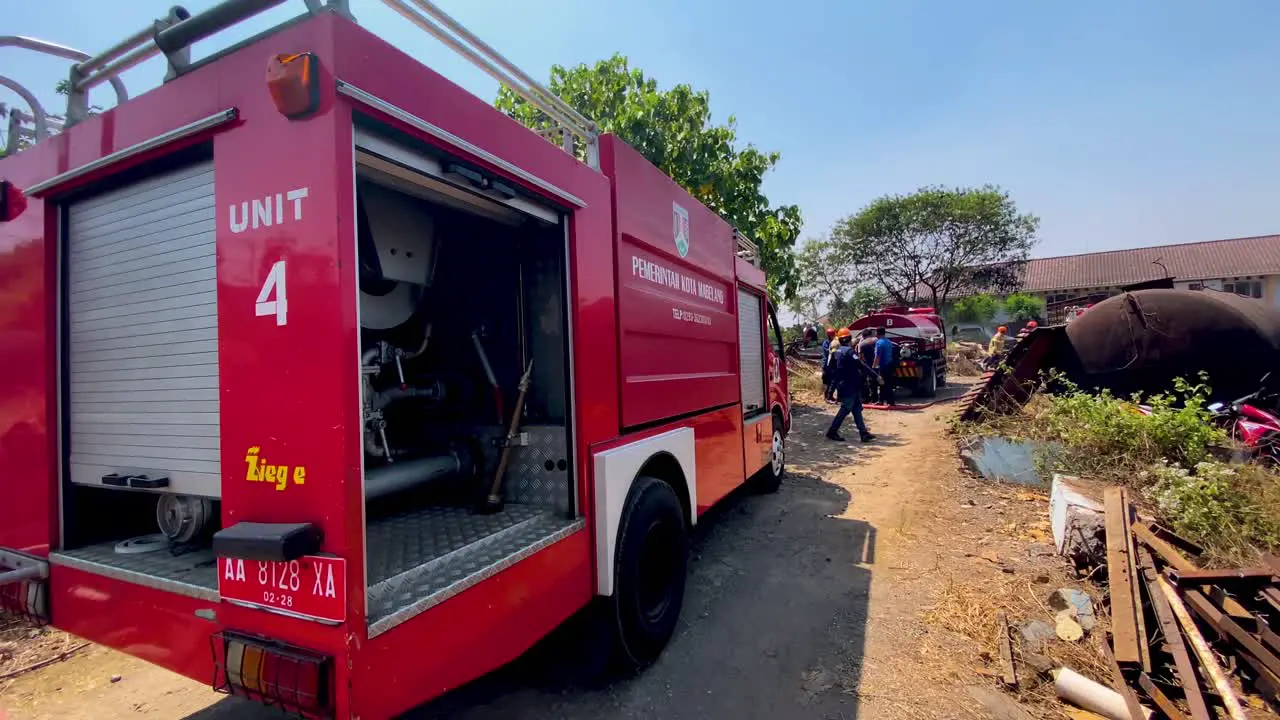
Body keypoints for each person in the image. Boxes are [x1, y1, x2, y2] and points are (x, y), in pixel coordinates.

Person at [826, 328, 878, 442]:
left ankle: (863, 433)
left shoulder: (837, 351)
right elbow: (861, 365)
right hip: (850, 386)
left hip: (844, 385)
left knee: (856, 409)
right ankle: (832, 431)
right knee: (845, 409)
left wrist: (832, 388)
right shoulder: (849, 352)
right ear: (849, 339)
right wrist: (876, 375)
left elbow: (832, 369)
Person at [872, 327, 897, 406]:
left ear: (878, 333)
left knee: (882, 383)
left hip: (883, 366)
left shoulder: (879, 343)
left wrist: (873, 366)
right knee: (888, 383)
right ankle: (890, 401)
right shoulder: (889, 342)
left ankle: (882, 401)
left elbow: (877, 356)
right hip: (889, 365)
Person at [856, 329, 877, 401]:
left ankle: (865, 398)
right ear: (870, 334)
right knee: (874, 381)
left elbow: (860, 356)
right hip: (876, 364)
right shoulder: (876, 340)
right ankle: (875, 398)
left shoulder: (861, 344)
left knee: (864, 382)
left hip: (865, 365)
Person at [820, 327, 837, 402]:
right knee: (827, 381)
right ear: (829, 335)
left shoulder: (834, 342)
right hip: (826, 365)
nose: (834, 336)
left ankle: (830, 396)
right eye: (833, 335)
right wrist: (835, 349)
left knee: (832, 381)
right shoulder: (826, 343)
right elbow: (828, 351)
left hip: (832, 365)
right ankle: (826, 397)